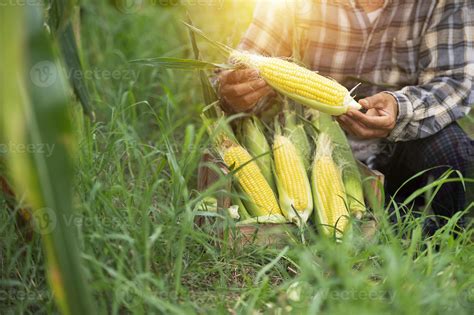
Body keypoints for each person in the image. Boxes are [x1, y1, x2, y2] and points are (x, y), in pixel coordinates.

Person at [217, 0, 474, 233]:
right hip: (308, 147)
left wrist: (400, 108)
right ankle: (378, 227)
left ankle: (442, 238)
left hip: (400, 145)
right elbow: (243, 66)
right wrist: (235, 90)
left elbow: (455, 81)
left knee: (453, 151)